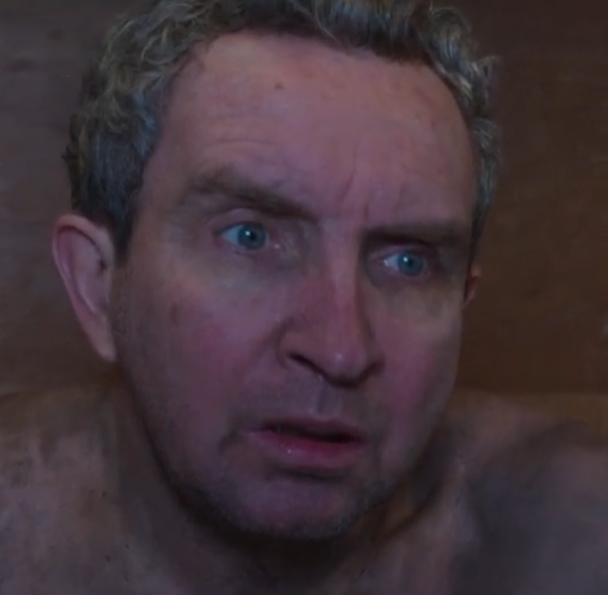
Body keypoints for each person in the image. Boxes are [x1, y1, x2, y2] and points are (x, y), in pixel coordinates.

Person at [1, 0, 608, 593]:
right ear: (98, 284)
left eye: (408, 262)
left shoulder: (576, 542)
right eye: (250, 236)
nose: (341, 351)